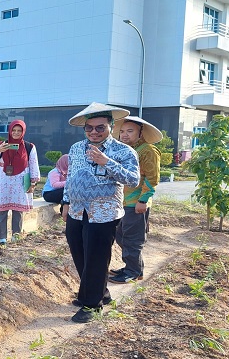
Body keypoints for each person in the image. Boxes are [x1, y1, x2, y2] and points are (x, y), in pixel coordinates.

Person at [61, 102, 139, 323]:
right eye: (89, 128)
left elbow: (133, 179)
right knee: (80, 254)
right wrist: (65, 202)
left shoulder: (123, 151)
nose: (94, 132)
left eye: (100, 127)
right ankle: (100, 292)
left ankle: (91, 305)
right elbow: (70, 177)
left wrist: (107, 162)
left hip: (104, 212)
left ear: (111, 127)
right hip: (77, 210)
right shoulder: (76, 148)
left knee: (96, 258)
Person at [109, 116, 162, 284]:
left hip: (136, 202)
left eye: (130, 131)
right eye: (122, 131)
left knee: (132, 238)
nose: (124, 135)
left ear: (141, 133)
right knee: (121, 236)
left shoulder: (148, 151)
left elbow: (152, 178)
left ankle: (132, 271)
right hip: (121, 202)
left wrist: (143, 200)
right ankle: (134, 268)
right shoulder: (125, 150)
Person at [0, 120, 40, 245]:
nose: (16, 133)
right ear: (10, 131)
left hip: (20, 181)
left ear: (23, 132)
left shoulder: (29, 147)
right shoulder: (2, 145)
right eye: (13, 130)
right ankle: (2, 238)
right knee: (2, 209)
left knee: (18, 210)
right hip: (3, 180)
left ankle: (16, 236)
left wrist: (33, 183)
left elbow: (33, 165)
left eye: (19, 131)